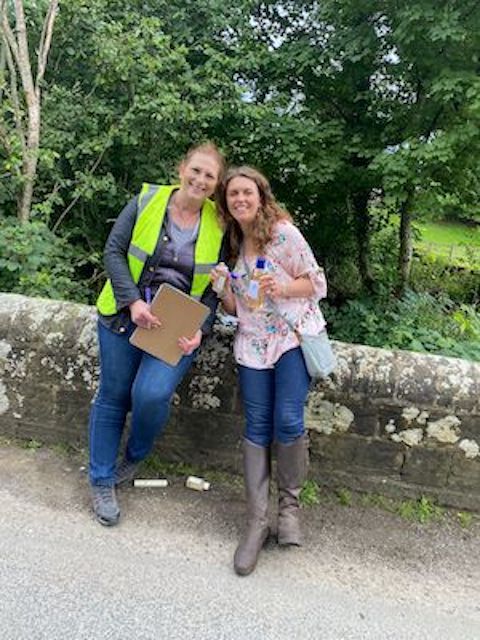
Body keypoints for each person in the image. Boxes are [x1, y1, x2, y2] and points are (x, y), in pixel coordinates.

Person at [89, 142, 226, 526]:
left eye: (209, 175)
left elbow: (217, 288)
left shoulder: (221, 223)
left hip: (177, 326)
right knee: (113, 396)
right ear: (181, 168)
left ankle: (134, 455)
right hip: (124, 313)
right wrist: (132, 301)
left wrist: (201, 329)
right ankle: (101, 480)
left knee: (151, 394)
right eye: (195, 170)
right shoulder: (146, 200)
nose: (200, 179)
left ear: (215, 184)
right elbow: (114, 252)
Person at [211, 166, 327, 576]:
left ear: (260, 196)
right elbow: (235, 307)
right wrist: (223, 288)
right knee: (256, 425)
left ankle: (289, 509)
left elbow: (316, 283)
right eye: (232, 195)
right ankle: (256, 522)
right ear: (225, 203)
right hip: (253, 343)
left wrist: (283, 287)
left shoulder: (283, 234)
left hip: (292, 337)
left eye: (246, 193)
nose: (239, 200)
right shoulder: (231, 242)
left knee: (288, 419)